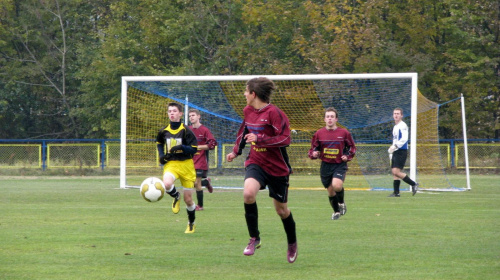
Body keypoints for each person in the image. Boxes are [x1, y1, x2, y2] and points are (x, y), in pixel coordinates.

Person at [226, 77, 298, 263]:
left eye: (246, 91)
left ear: (253, 94)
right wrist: (236, 151)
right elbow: (244, 132)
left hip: (277, 168)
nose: (244, 94)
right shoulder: (248, 111)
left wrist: (260, 139)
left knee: (282, 211)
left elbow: (285, 139)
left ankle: (292, 242)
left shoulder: (275, 113)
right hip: (256, 162)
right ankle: (254, 238)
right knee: (248, 194)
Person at [156, 102, 199, 233]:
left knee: (189, 200)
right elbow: (159, 143)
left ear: (180, 114)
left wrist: (181, 147)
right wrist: (162, 155)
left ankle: (191, 223)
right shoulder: (164, 131)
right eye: (169, 111)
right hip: (172, 164)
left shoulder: (186, 130)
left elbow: (194, 149)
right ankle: (176, 196)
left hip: (186, 166)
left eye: (174, 111)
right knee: (167, 184)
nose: (172, 113)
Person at [308, 107, 356, 220]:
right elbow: (312, 150)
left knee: (337, 185)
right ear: (324, 119)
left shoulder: (344, 133)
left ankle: (342, 202)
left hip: (339, 164)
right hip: (325, 165)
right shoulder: (319, 133)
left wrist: (347, 156)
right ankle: (336, 211)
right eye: (328, 117)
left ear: (336, 119)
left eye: (332, 117)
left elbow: (352, 148)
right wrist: (314, 154)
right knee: (330, 191)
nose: (330, 119)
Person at [188, 108, 217, 211]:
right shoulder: (188, 130)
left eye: (193, 115)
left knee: (196, 183)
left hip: (201, 161)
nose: (191, 117)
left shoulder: (204, 130)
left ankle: (200, 206)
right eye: (190, 116)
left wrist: (199, 147)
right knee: (193, 183)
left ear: (198, 116)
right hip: (190, 161)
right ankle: (206, 183)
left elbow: (213, 144)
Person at [387, 108, 418, 197]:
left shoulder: (403, 125)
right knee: (394, 172)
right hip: (396, 151)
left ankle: (413, 184)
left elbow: (404, 139)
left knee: (395, 171)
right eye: (394, 113)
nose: (396, 115)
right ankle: (396, 192)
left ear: (401, 115)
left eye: (398, 113)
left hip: (401, 151)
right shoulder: (395, 126)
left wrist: (395, 146)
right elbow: (395, 139)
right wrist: (392, 149)